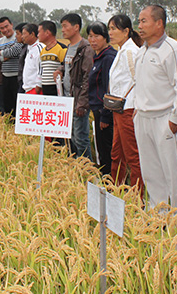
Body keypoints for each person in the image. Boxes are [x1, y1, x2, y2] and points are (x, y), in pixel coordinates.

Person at [134, 5, 177, 214]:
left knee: (172, 174)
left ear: (159, 23)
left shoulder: (173, 50)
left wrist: (175, 120)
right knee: (151, 172)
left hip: (165, 119)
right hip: (143, 118)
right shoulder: (142, 51)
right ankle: (157, 215)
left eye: (144, 21)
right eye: (139, 21)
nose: (139, 26)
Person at [108, 14, 145, 196]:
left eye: (114, 29)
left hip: (128, 109)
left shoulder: (131, 52)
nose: (110, 33)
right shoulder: (122, 50)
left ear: (126, 31)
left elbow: (140, 80)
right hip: (119, 109)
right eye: (109, 29)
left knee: (132, 155)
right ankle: (116, 191)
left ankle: (137, 197)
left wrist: (137, 105)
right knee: (117, 153)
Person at [56, 13, 94, 160]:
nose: (63, 30)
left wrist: (82, 103)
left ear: (76, 27)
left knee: (80, 138)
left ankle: (87, 168)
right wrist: (61, 69)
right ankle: (77, 166)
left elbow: (87, 77)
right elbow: (70, 67)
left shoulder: (85, 48)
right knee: (72, 136)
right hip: (67, 99)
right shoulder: (69, 47)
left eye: (65, 26)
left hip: (78, 100)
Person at [87, 21, 117, 176]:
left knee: (107, 150)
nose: (92, 40)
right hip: (97, 110)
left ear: (105, 37)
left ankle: (111, 181)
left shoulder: (108, 58)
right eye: (90, 36)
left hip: (105, 112)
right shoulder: (97, 56)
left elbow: (109, 88)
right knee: (102, 149)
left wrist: (105, 115)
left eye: (96, 36)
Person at [0, 17, 23, 115]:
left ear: (11, 25)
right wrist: (4, 57)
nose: (5, 30)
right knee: (7, 105)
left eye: (6, 26)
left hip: (17, 76)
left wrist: (1, 53)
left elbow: (15, 51)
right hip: (5, 76)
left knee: (17, 104)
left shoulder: (18, 37)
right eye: (2, 28)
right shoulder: (1, 40)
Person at [37, 20, 67, 96]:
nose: (38, 35)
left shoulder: (61, 48)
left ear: (47, 33)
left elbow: (66, 68)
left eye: (39, 32)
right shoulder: (43, 51)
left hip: (57, 90)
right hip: (45, 89)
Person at [21, 23, 43, 94]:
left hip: (35, 89)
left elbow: (41, 68)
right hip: (28, 89)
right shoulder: (29, 48)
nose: (22, 37)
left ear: (32, 34)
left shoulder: (39, 48)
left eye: (24, 34)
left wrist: (38, 86)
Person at [15, 23, 28, 93]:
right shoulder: (23, 47)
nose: (16, 36)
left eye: (18, 34)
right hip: (21, 81)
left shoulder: (29, 49)